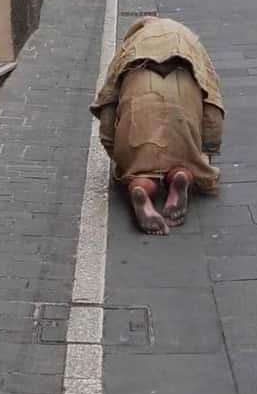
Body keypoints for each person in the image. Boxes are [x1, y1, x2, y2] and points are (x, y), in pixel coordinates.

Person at [90, 17, 225, 235]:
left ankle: (139, 187)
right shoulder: (191, 42)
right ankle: (181, 176)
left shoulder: (129, 47)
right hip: (184, 102)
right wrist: (207, 151)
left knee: (137, 170)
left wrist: (118, 155)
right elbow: (212, 105)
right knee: (189, 162)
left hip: (139, 102)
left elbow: (107, 103)